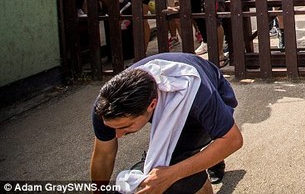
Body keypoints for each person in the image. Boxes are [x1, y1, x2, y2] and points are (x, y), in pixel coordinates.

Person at [90, 52, 242, 192]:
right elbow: (103, 156)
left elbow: (232, 139)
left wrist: (170, 175)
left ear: (152, 105)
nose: (117, 135)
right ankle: (209, 155)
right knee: (164, 162)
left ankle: (210, 158)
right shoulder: (106, 105)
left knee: (174, 164)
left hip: (214, 93)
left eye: (125, 126)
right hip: (182, 100)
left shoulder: (201, 95)